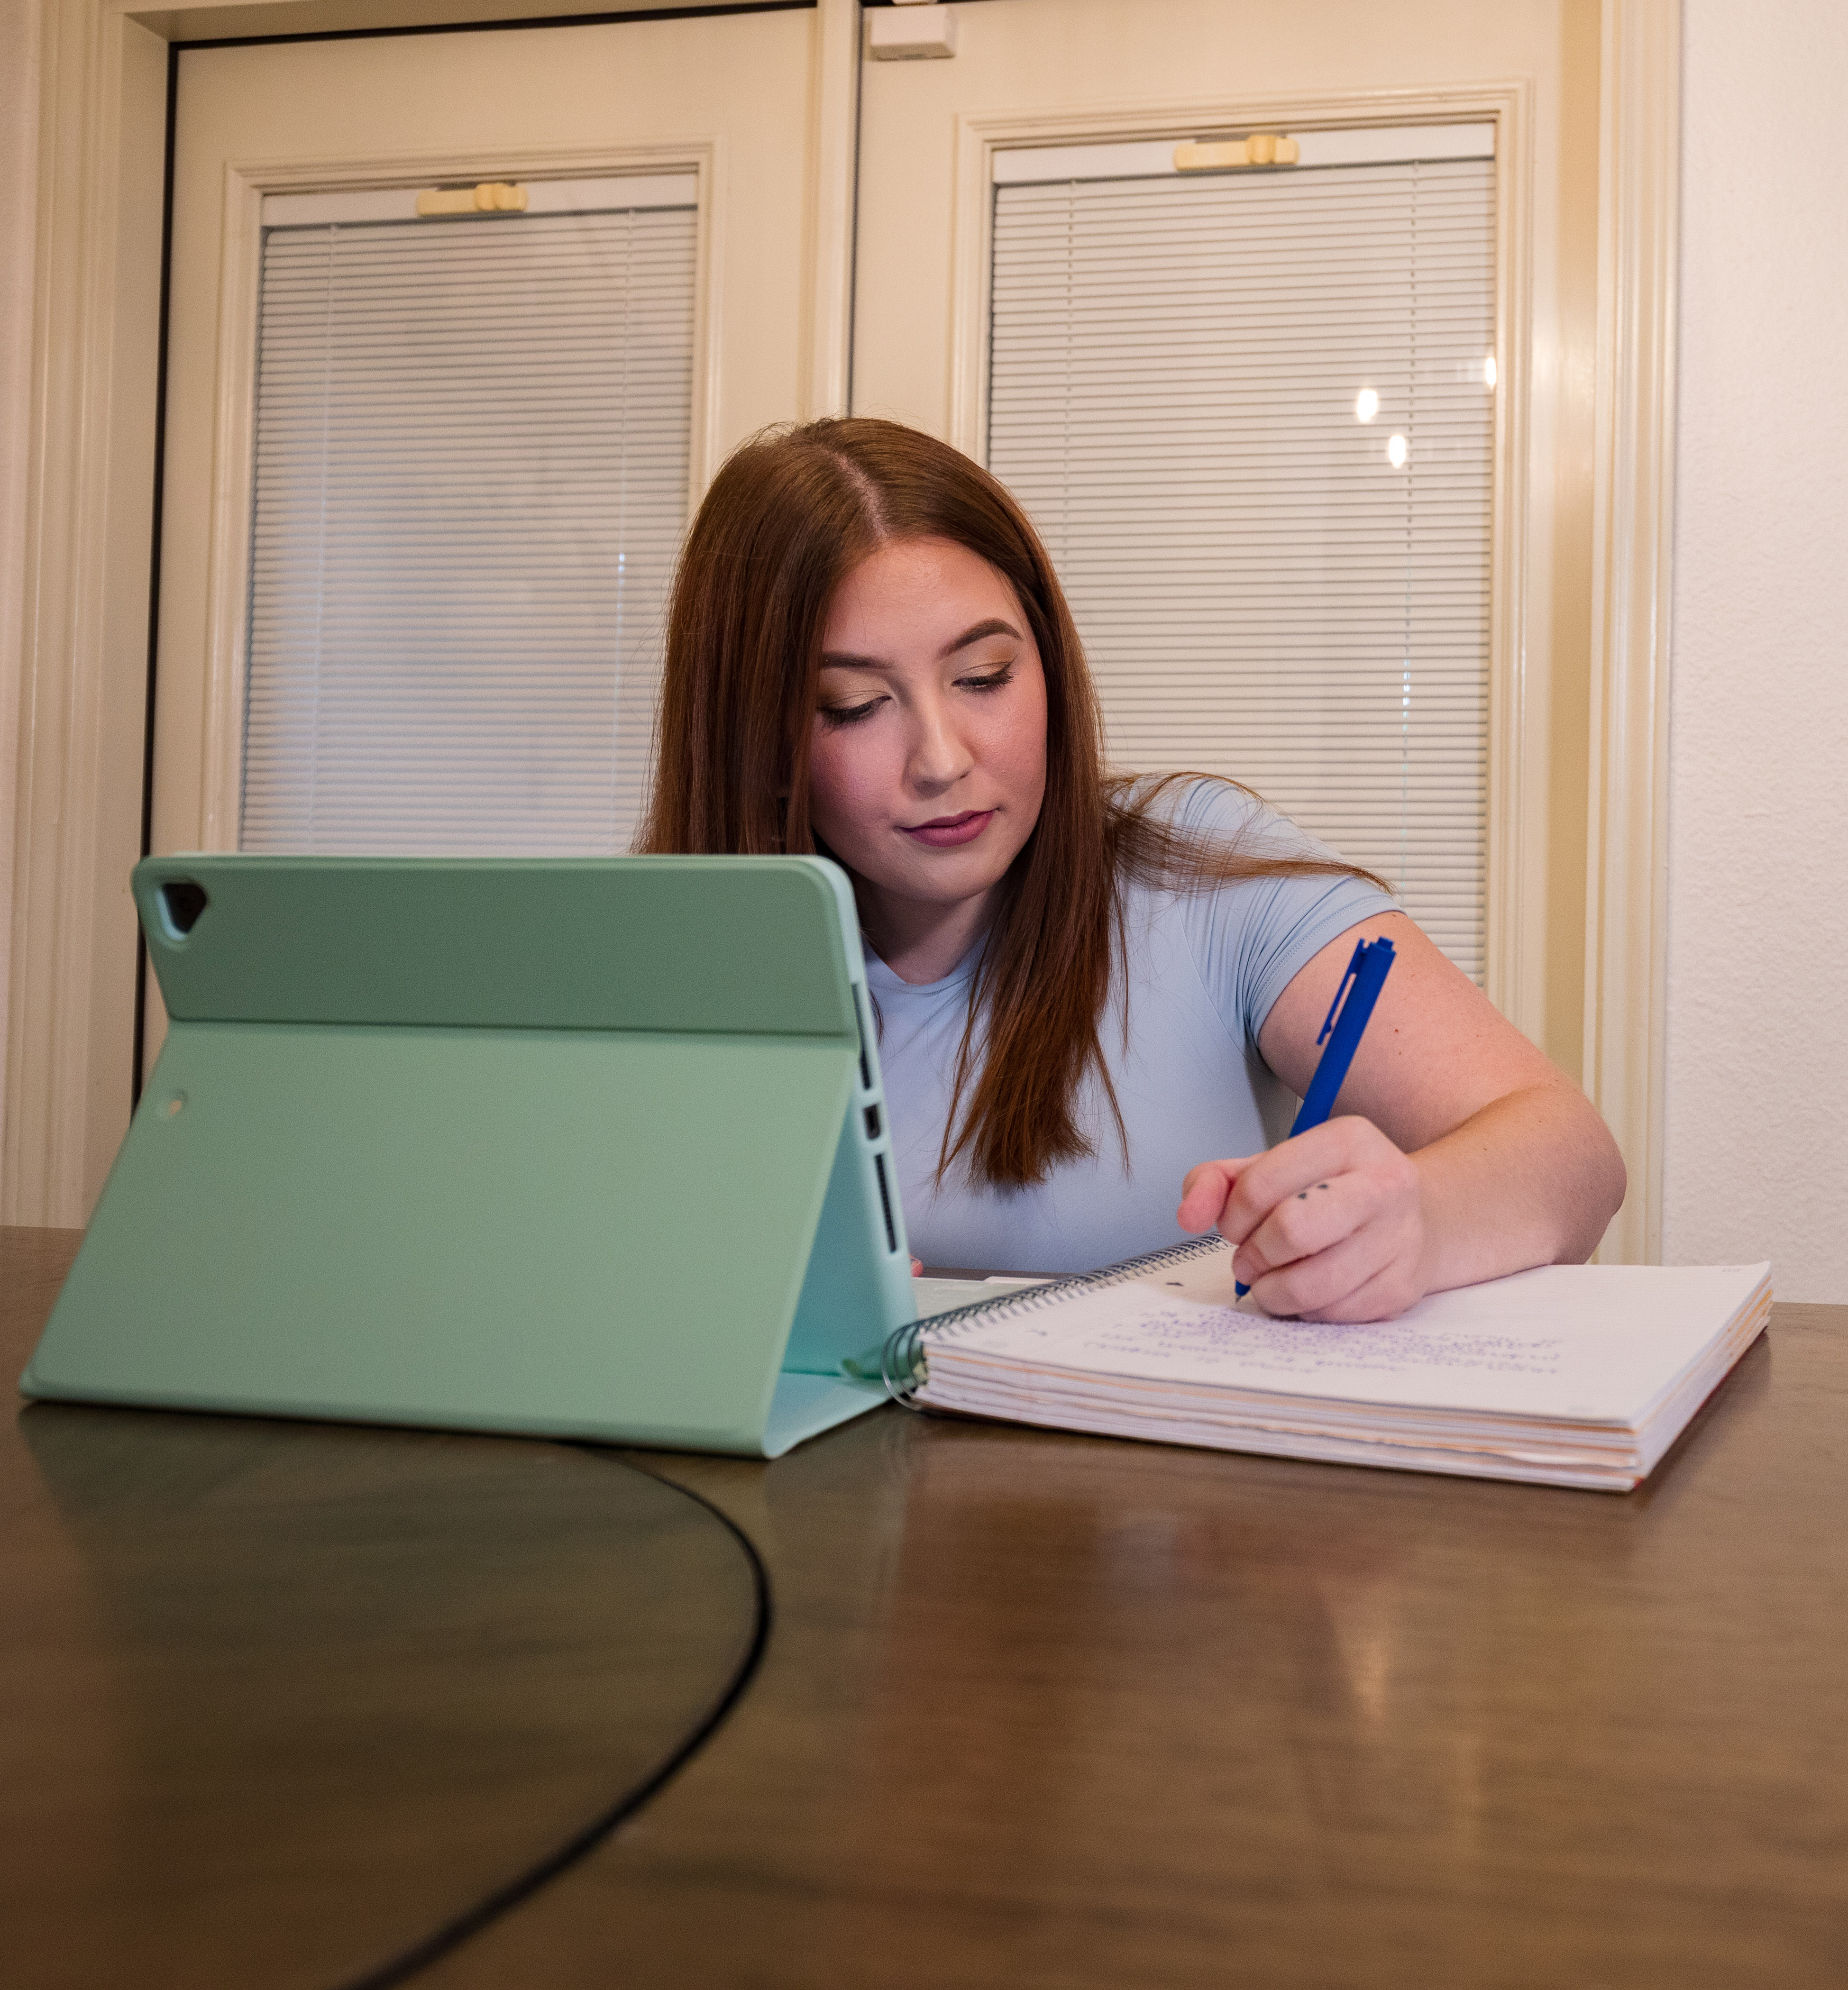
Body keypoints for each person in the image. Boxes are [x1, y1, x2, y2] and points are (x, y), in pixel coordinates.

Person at [642, 418, 1624, 1322]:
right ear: (755, 739)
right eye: (854, 704)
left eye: (985, 677)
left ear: (1051, 666)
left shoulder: (1204, 869)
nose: (941, 758)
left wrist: (1422, 1218)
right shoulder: (650, 953)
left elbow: (1573, 1155)